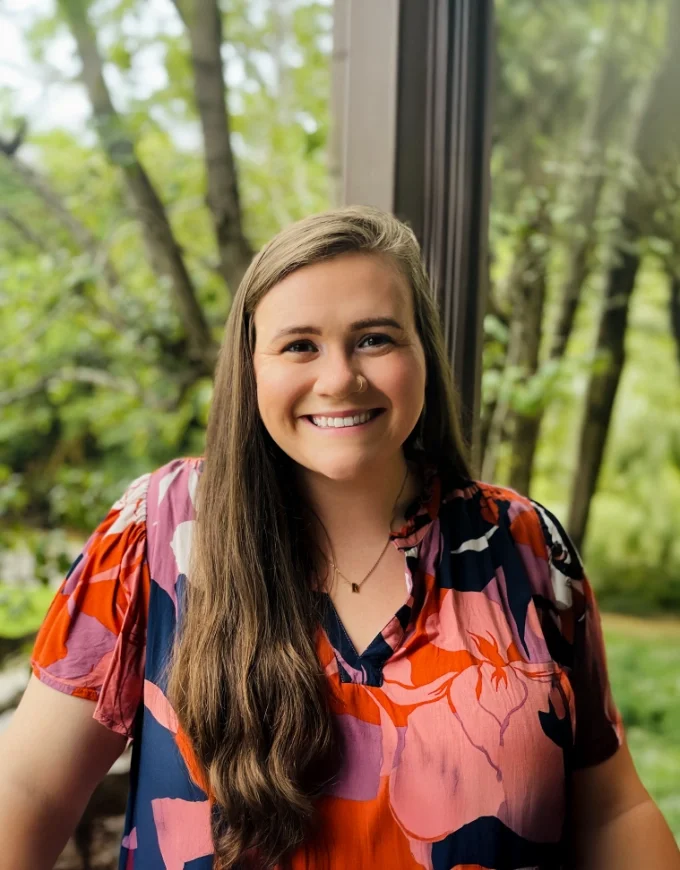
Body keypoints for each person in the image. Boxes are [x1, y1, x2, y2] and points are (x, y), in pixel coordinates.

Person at [0, 206, 677, 870]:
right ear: (251, 367)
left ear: (422, 353)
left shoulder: (524, 546)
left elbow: (611, 809)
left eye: (375, 339)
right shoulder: (155, 533)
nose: (339, 379)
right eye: (300, 345)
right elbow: (29, 790)